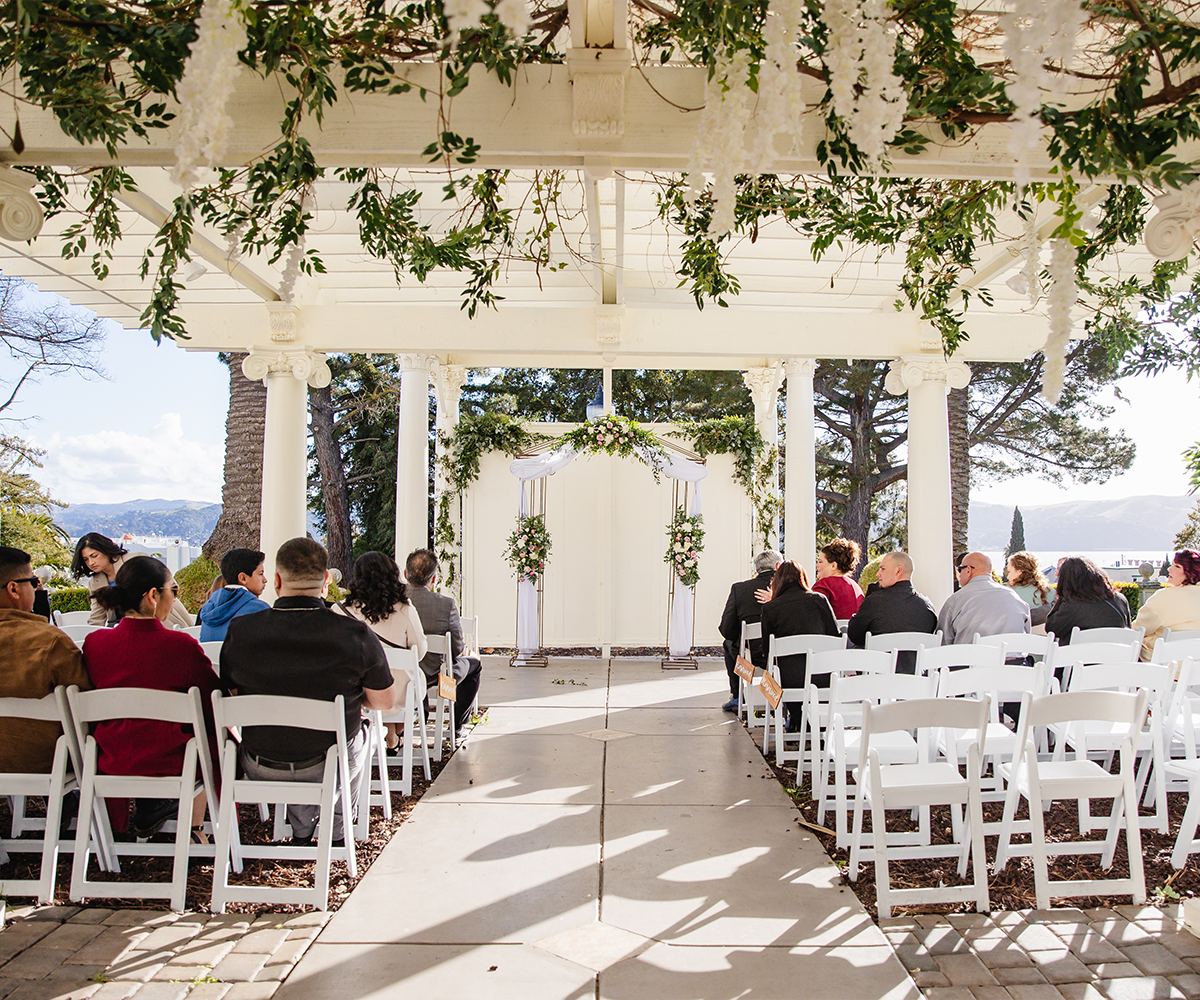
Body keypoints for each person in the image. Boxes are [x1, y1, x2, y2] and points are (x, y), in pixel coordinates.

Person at [220, 538, 395, 845]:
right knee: (359, 733)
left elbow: (232, 695)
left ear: (276, 581)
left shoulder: (241, 631)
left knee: (298, 735)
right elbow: (384, 701)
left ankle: (302, 830)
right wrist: (353, 699)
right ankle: (339, 834)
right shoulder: (353, 634)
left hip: (260, 764)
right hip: (328, 765)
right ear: (326, 581)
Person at [81, 555, 221, 839]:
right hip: (173, 761)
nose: (175, 598)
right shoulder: (181, 646)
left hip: (111, 757)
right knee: (216, 736)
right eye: (174, 590)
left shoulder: (95, 644)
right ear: (154, 596)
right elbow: (212, 702)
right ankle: (194, 829)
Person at [0, 547, 92, 774]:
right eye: (32, 582)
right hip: (44, 758)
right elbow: (85, 703)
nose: (36, 587)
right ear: (14, 589)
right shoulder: (49, 641)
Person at [333, 551, 427, 749]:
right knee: (404, 677)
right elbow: (419, 652)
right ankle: (392, 735)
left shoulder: (339, 610)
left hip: (357, 692)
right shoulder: (405, 609)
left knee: (376, 678)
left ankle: (389, 734)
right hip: (398, 692)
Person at [404, 548, 482, 731]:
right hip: (436, 675)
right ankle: (456, 725)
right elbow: (456, 648)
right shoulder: (445, 604)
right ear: (433, 579)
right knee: (474, 664)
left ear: (405, 574)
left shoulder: (393, 601)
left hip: (403, 672)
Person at [759, 560, 839, 729]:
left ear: (777, 581)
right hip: (822, 674)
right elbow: (835, 638)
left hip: (789, 679)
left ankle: (801, 725)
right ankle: (811, 729)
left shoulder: (770, 608)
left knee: (777, 674)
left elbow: (768, 651)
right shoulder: (820, 600)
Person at [72, 532, 194, 629]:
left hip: (164, 621)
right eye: (86, 559)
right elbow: (97, 617)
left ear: (106, 551)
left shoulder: (135, 560)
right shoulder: (95, 583)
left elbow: (169, 585)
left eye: (94, 556)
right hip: (124, 630)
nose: (91, 563)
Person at [845, 551, 938, 672]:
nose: (878, 574)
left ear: (898, 571)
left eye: (882, 569)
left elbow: (854, 635)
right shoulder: (926, 606)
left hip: (877, 681)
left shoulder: (875, 602)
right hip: (916, 682)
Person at [717, 549, 782, 713]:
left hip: (751, 657)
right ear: (778, 566)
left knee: (730, 645)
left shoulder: (740, 589)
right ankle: (775, 699)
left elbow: (726, 629)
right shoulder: (790, 590)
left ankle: (739, 695)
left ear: (758, 568)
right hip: (782, 654)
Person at [937, 551, 1030, 644]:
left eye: (960, 569)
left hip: (971, 657)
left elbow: (942, 641)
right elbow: (1026, 638)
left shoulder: (955, 600)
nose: (959, 575)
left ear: (968, 570)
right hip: (1015, 658)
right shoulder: (1015, 597)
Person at [1044, 556, 1131, 646]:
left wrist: (1062, 597)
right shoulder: (1120, 600)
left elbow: (1052, 629)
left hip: (1078, 658)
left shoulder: (1072, 605)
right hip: (1115, 657)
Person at [1134, 549, 1200, 660]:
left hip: (1168, 670)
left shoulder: (1164, 598)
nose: (1169, 569)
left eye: (1177, 566)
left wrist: (1150, 639)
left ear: (1192, 573)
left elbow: (1138, 630)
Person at [197, 548, 271, 641]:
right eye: (260, 574)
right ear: (243, 578)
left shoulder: (208, 608)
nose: (265, 580)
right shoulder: (261, 610)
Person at [811, 538, 865, 620]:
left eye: (820, 562)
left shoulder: (824, 585)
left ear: (833, 566)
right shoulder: (857, 588)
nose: (817, 565)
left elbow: (811, 615)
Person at [1006, 550, 1055, 627]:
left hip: (1017, 637)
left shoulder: (1008, 594)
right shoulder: (1052, 593)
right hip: (1044, 638)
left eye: (1009, 572)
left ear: (1019, 572)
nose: (1008, 576)